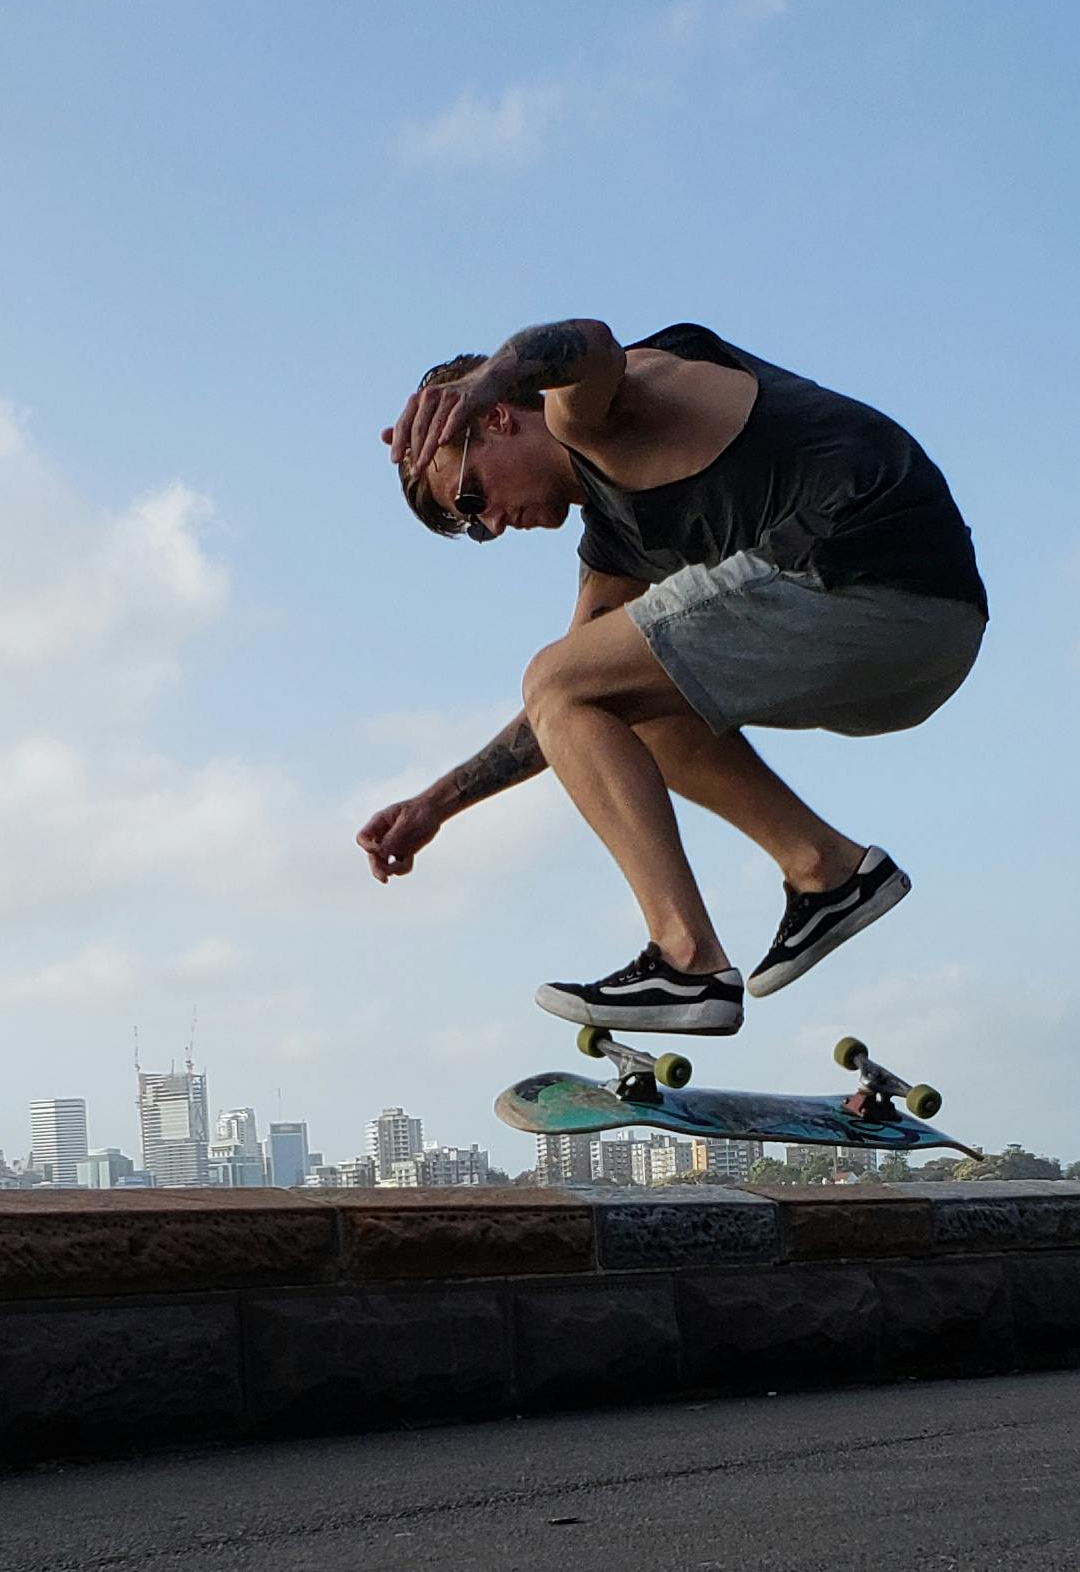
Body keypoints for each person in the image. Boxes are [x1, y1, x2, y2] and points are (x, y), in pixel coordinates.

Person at [361, 319, 987, 1035]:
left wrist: (491, 374)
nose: (493, 526)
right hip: (925, 640)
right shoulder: (616, 543)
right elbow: (561, 719)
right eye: (475, 528)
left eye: (471, 498)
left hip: (869, 568)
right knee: (608, 697)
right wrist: (434, 806)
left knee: (566, 676)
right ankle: (827, 870)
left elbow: (591, 344)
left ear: (498, 420)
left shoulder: (585, 412)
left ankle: (684, 959)